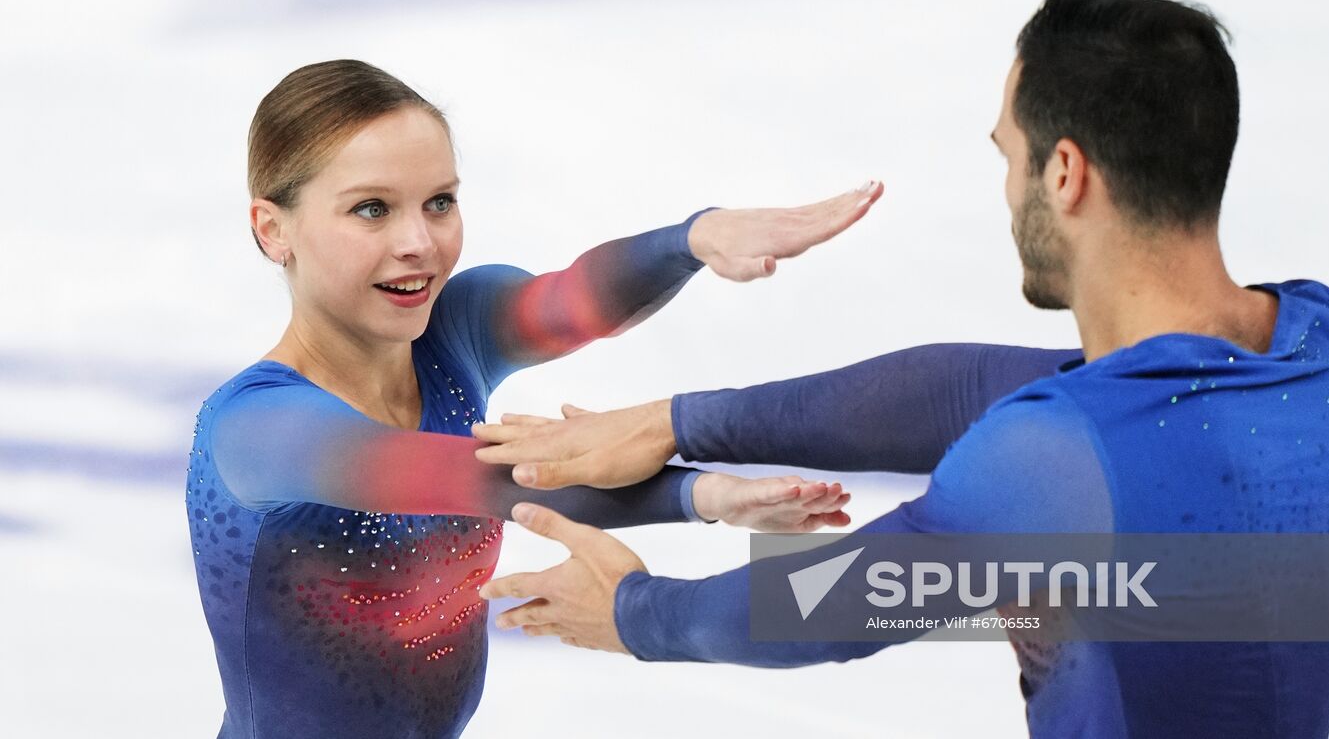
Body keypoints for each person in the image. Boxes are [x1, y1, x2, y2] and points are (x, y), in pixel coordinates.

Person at [476, 0, 1329, 738]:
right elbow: (963, 385)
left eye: (1009, 156)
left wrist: (634, 611)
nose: (1008, 186)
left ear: (1065, 173)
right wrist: (678, 419)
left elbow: (823, 611)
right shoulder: (1319, 339)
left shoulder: (1054, 457)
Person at [185, 58, 884, 738]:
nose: (418, 242)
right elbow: (479, 482)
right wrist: (701, 496)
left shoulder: (453, 333)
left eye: (440, 202)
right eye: (372, 209)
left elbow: (571, 300)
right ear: (273, 229)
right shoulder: (259, 425)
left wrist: (693, 239)